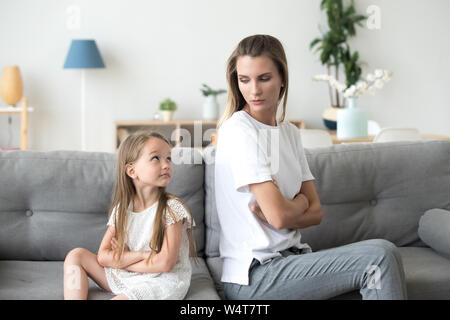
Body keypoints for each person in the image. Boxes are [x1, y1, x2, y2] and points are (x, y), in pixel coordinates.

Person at [214, 34, 407, 300]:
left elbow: (315, 213)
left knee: (386, 253)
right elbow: (281, 218)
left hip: (293, 260)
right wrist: (299, 204)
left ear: (282, 78)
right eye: (244, 79)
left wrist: (294, 207)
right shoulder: (239, 130)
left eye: (264, 78)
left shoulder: (290, 133)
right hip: (256, 274)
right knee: (380, 256)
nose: (254, 90)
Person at [63, 131, 197, 300]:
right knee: (76, 255)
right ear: (132, 171)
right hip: (129, 273)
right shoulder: (122, 210)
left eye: (168, 158)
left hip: (162, 280)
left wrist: (123, 260)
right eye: (156, 158)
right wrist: (141, 255)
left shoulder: (172, 209)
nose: (166, 165)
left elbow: (165, 263)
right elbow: (104, 257)